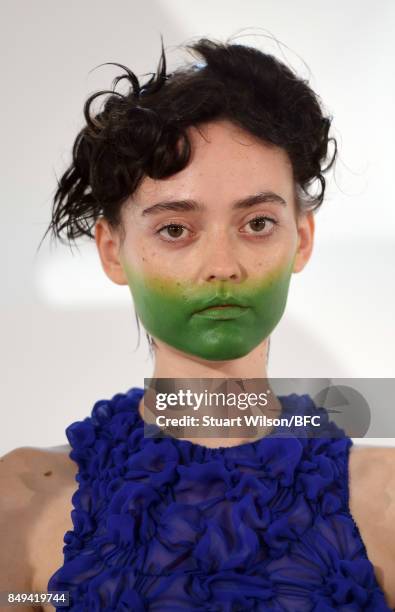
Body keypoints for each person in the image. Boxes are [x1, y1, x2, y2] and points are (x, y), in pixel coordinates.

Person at [1, 38, 394, 611]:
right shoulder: (23, 498)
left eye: (258, 223)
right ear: (113, 251)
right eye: (176, 229)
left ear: (301, 239)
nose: (222, 267)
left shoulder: (385, 497)